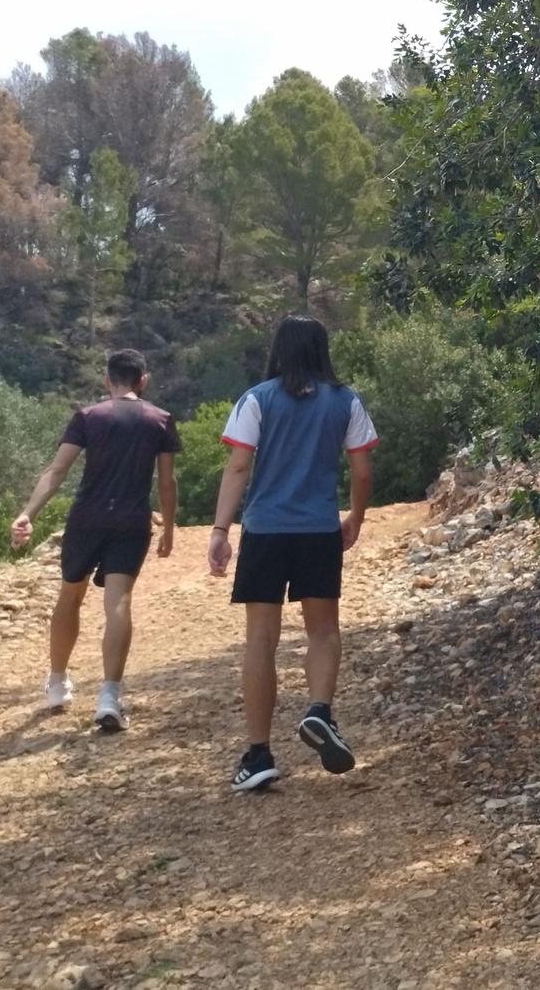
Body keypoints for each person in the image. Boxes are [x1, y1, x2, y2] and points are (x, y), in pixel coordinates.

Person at [208, 315, 377, 793]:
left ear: (279, 350)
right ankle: (320, 711)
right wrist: (356, 518)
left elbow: (239, 466)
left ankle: (258, 754)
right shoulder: (346, 401)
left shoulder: (256, 399)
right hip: (318, 531)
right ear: (323, 350)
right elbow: (362, 471)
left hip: (265, 532)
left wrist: (221, 529)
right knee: (323, 630)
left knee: (261, 641)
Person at [12, 349, 180, 733]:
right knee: (117, 600)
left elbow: (57, 471)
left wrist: (27, 514)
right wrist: (169, 528)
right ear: (143, 380)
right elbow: (167, 482)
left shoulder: (89, 417)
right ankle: (109, 696)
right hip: (131, 522)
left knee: (70, 594)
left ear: (108, 380)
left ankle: (57, 683)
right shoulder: (160, 420)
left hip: (86, 519)